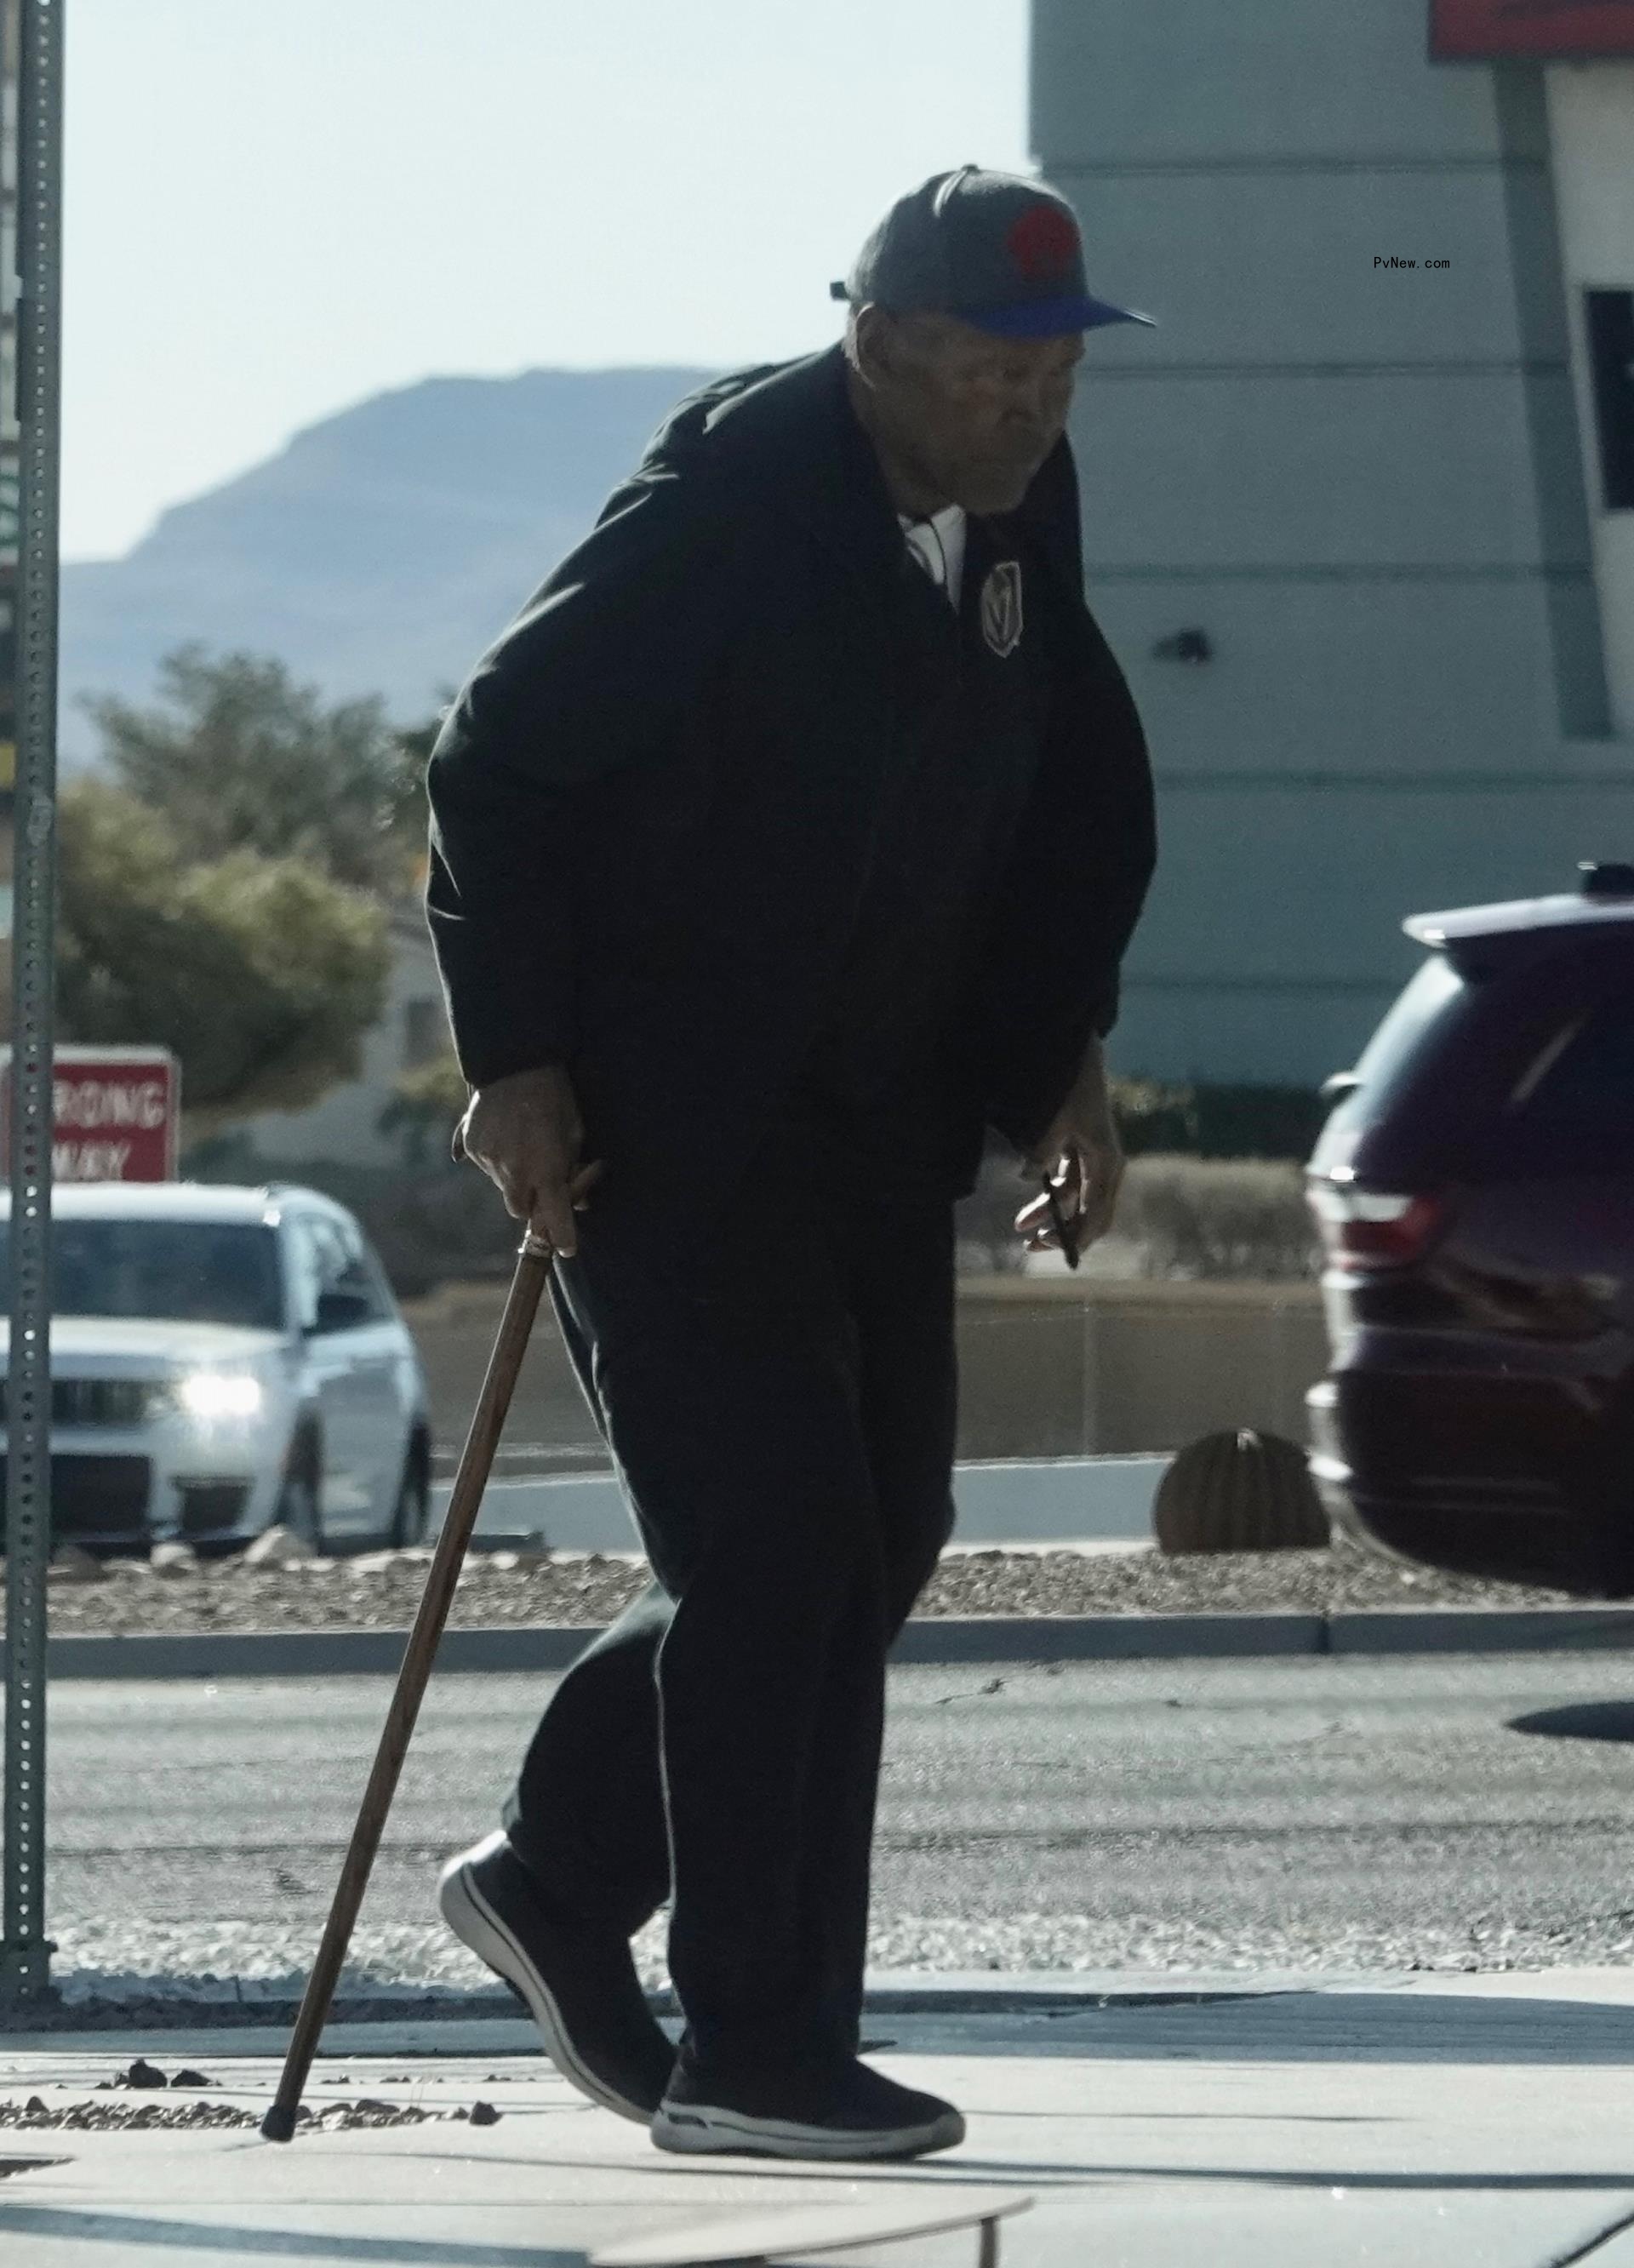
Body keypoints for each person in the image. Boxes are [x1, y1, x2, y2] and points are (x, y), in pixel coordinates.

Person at [424, 164, 1157, 2163]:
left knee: (874, 1532)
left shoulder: (1017, 504)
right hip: (668, 1121)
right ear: (878, 345)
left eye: (1058, 372)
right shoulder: (732, 512)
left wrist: (1064, 1068)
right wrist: (521, 1066)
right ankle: (758, 2049)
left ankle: (566, 1870)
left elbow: (1064, 780)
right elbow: (499, 757)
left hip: (870, 1111)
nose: (1033, 407)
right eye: (995, 370)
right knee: (774, 1544)